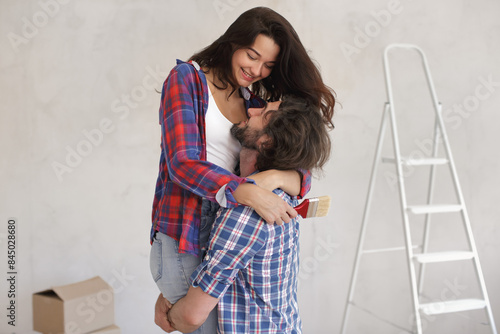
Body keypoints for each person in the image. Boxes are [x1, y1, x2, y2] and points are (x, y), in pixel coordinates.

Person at [150, 6, 336, 333]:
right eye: (252, 56)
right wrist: (246, 191)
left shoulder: (251, 100)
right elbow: (182, 162)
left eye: (268, 65)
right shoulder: (187, 80)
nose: (257, 69)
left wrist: (275, 177)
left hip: (228, 229)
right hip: (190, 232)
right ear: (233, 42)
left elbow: (291, 162)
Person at [154, 96, 331, 333]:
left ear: (266, 142)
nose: (252, 109)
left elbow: (192, 316)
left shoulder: (248, 210)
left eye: (263, 113)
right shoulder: (279, 194)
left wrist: (168, 315)